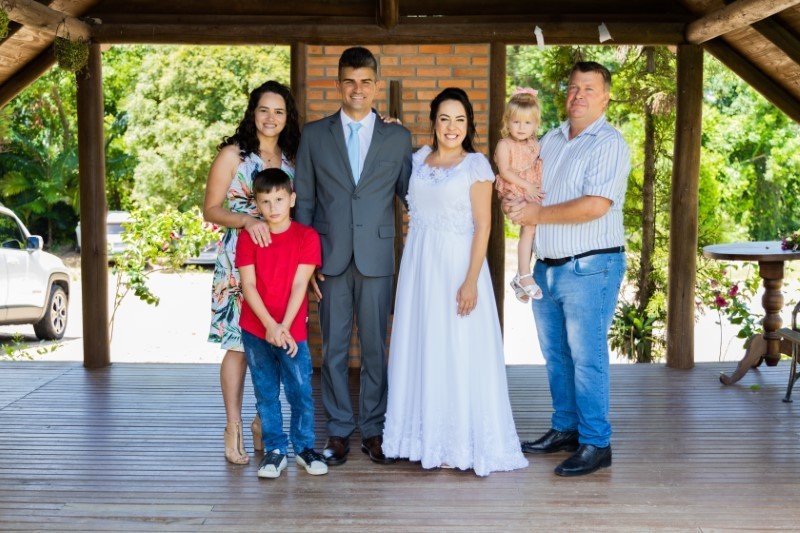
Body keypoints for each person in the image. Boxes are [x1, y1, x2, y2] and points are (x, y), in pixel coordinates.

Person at [382, 88, 529, 477]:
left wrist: (470, 281)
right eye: (444, 118)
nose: (452, 127)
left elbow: (484, 227)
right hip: (420, 268)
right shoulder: (417, 160)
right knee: (423, 345)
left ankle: (456, 441)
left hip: (457, 266)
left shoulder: (476, 166)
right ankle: (419, 439)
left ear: (469, 125)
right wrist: (390, 129)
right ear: (433, 122)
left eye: (460, 119)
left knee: (456, 348)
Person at [504, 62, 630, 477]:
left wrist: (535, 213)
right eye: (574, 87)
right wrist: (513, 202)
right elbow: (528, 187)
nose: (579, 95)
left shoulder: (609, 143)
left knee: (587, 358)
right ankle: (566, 428)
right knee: (557, 356)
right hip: (547, 267)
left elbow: (595, 205)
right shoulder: (551, 140)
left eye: (589, 89)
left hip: (590, 267)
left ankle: (596, 442)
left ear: (605, 97)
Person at [294, 46, 412, 466]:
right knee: (334, 350)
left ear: (376, 85)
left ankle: (376, 430)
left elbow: (413, 196)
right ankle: (340, 430)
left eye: (365, 82)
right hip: (329, 258)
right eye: (349, 82)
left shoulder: (398, 137)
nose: (357, 89)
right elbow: (305, 200)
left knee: (376, 349)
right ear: (338, 84)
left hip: (378, 257)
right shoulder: (314, 135)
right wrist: (306, 263)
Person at [204, 80, 300, 465]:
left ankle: (264, 420)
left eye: (279, 111)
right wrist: (246, 220)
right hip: (238, 259)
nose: (271, 118)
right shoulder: (234, 155)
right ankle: (233, 426)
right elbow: (211, 209)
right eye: (264, 110)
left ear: (287, 117)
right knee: (239, 345)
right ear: (253, 113)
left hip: (281, 260)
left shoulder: (293, 158)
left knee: (274, 342)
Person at [236, 168, 327, 479]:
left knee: (300, 390)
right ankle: (275, 450)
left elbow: (301, 285)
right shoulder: (249, 238)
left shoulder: (306, 237)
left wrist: (283, 326)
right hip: (256, 329)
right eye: (265, 201)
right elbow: (248, 286)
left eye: (279, 199)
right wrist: (270, 326)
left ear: (292, 199)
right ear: (257, 205)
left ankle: (304, 448)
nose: (272, 207)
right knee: (266, 393)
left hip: (292, 331)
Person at [494, 88, 545, 302]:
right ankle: (524, 275)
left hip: (530, 189)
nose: (522, 128)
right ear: (507, 122)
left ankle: (521, 276)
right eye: (516, 122)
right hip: (516, 188)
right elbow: (505, 171)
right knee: (529, 227)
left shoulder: (535, 144)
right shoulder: (504, 144)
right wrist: (528, 186)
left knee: (531, 230)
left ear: (535, 124)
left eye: (527, 122)